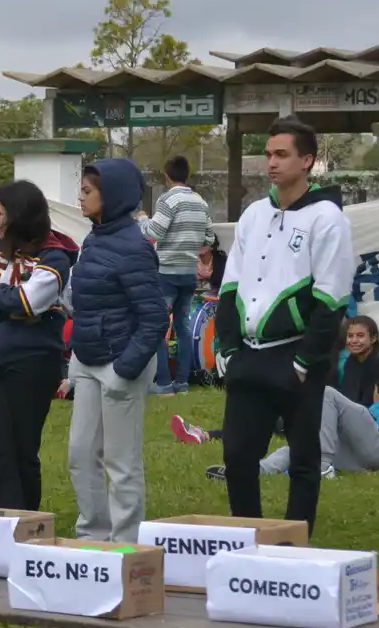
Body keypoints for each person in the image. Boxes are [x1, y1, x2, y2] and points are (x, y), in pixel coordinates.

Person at [215, 117, 354, 534]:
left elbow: (332, 299)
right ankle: (249, 538)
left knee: (304, 458)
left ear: (307, 160)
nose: (271, 163)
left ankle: (296, 542)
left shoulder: (327, 218)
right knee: (238, 456)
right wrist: (228, 347)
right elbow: (229, 284)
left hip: (295, 354)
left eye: (282, 154)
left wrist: (303, 360)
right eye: (268, 154)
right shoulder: (254, 214)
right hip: (248, 355)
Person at [64, 160, 167, 542]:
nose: (80, 196)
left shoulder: (134, 248)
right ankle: (92, 534)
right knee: (80, 453)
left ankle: (125, 543)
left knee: (121, 461)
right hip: (88, 359)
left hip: (121, 363)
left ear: (112, 195)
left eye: (88, 190)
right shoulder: (92, 239)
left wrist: (125, 367)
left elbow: (155, 317)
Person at [0, 180, 77, 512]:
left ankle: (27, 524)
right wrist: (5, 302)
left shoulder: (55, 256)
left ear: (19, 216)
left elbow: (29, 302)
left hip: (32, 364)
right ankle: (5, 521)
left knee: (22, 451)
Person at [209, 369, 379, 479]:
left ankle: (322, 465)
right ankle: (252, 471)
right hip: (372, 457)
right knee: (298, 450)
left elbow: (374, 422)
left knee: (327, 393)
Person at [141, 155, 215, 395]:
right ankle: (182, 383)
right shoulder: (200, 202)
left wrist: (141, 219)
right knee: (182, 328)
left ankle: (163, 383)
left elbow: (155, 231)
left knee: (157, 326)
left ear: (167, 175)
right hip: (188, 273)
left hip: (166, 272)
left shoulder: (167, 199)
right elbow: (209, 238)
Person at [333, 314, 379, 405]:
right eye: (350, 336)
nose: (354, 340)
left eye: (360, 336)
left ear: (373, 339)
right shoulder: (351, 361)